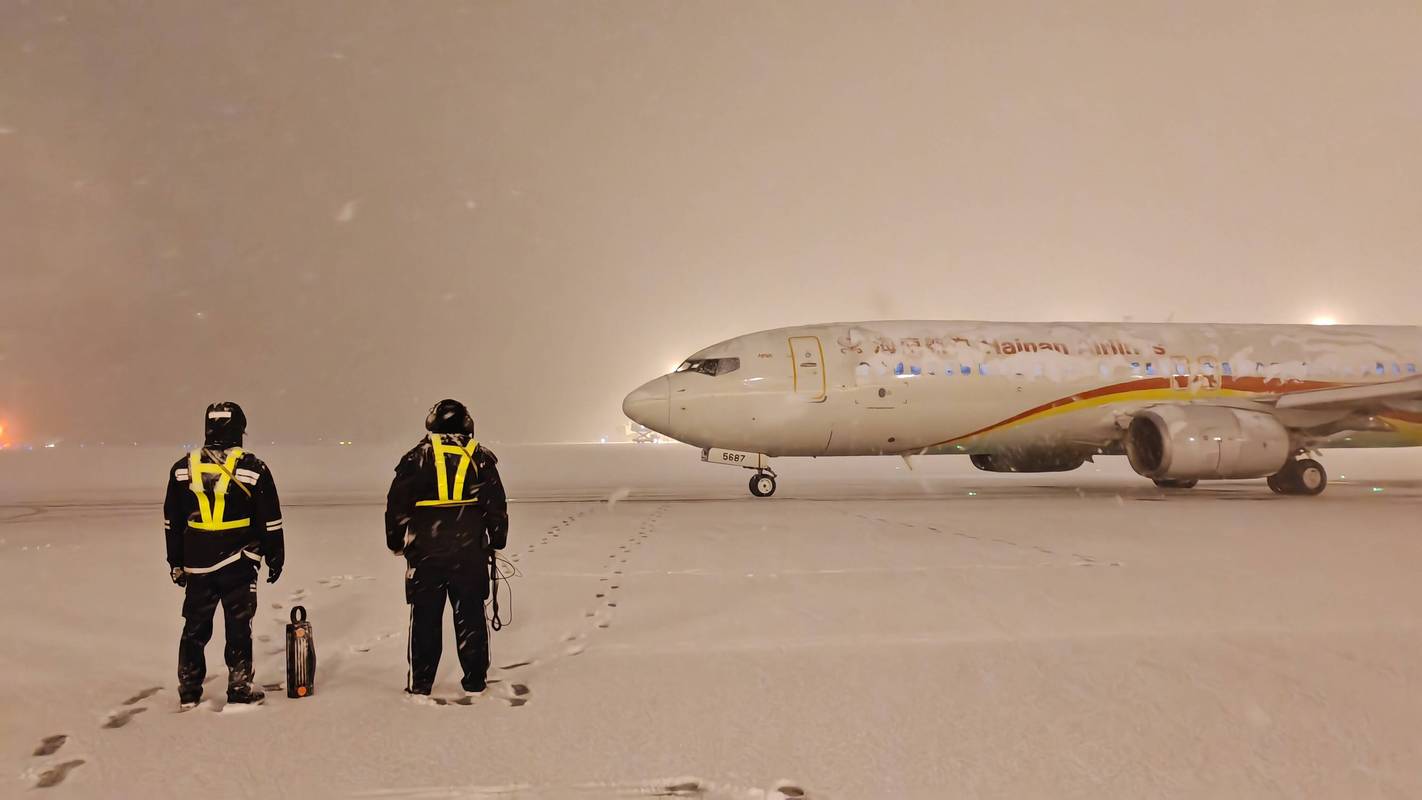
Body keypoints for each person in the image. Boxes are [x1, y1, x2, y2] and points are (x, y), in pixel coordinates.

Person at [163, 402, 285, 708]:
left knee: (194, 627)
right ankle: (239, 685)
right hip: (239, 561)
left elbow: (172, 522)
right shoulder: (253, 468)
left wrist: (175, 562)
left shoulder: (182, 468)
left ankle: (189, 689)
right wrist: (275, 556)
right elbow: (270, 520)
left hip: (196, 563)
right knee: (238, 624)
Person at [385, 399, 508, 696]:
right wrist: (497, 538)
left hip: (426, 554)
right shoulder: (479, 457)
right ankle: (475, 681)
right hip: (469, 554)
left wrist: (396, 542)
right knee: (471, 618)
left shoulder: (416, 458)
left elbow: (396, 506)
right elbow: (496, 505)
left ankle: (421, 683)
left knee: (425, 619)